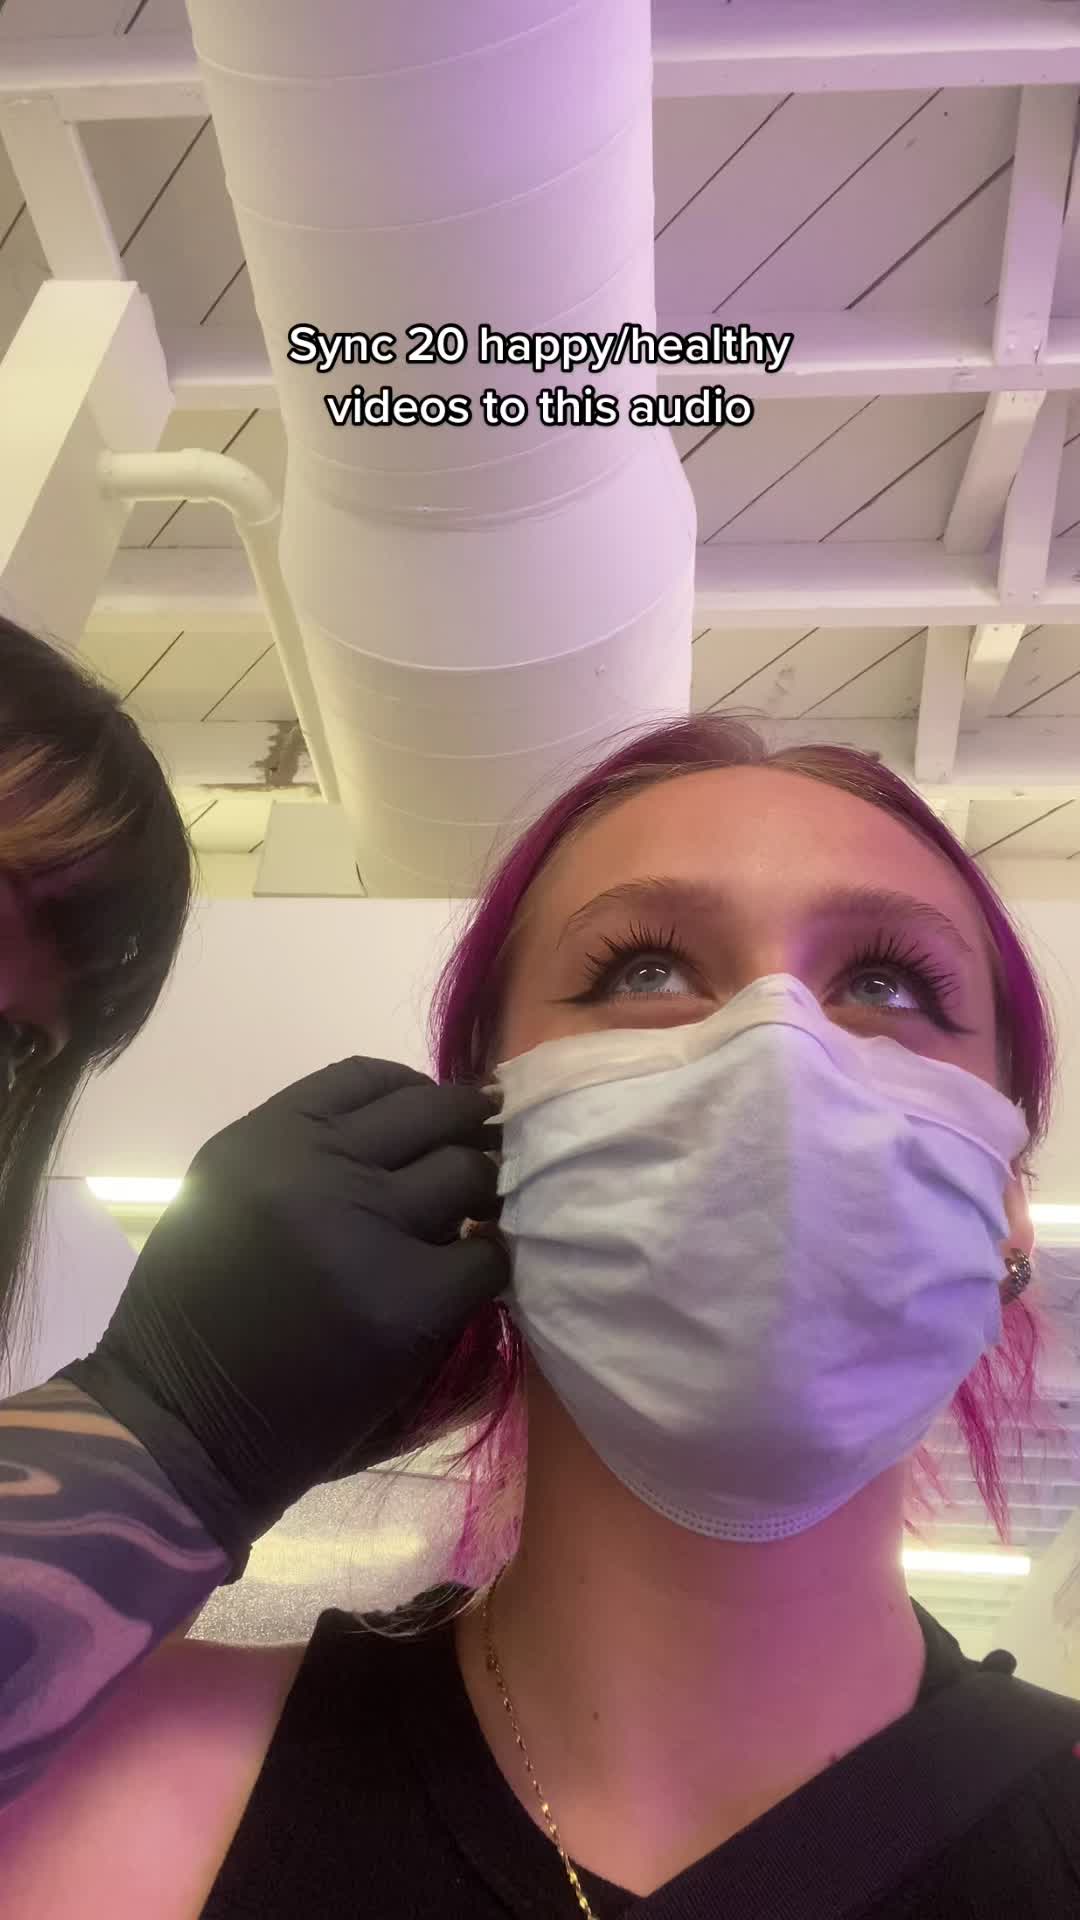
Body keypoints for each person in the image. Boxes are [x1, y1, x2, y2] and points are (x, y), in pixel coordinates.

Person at [5, 711, 1080, 1919]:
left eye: (886, 983)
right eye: (646, 970)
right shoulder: (114, 1797)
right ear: (487, 1155)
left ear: (1010, 1211)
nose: (779, 1056)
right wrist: (162, 1436)